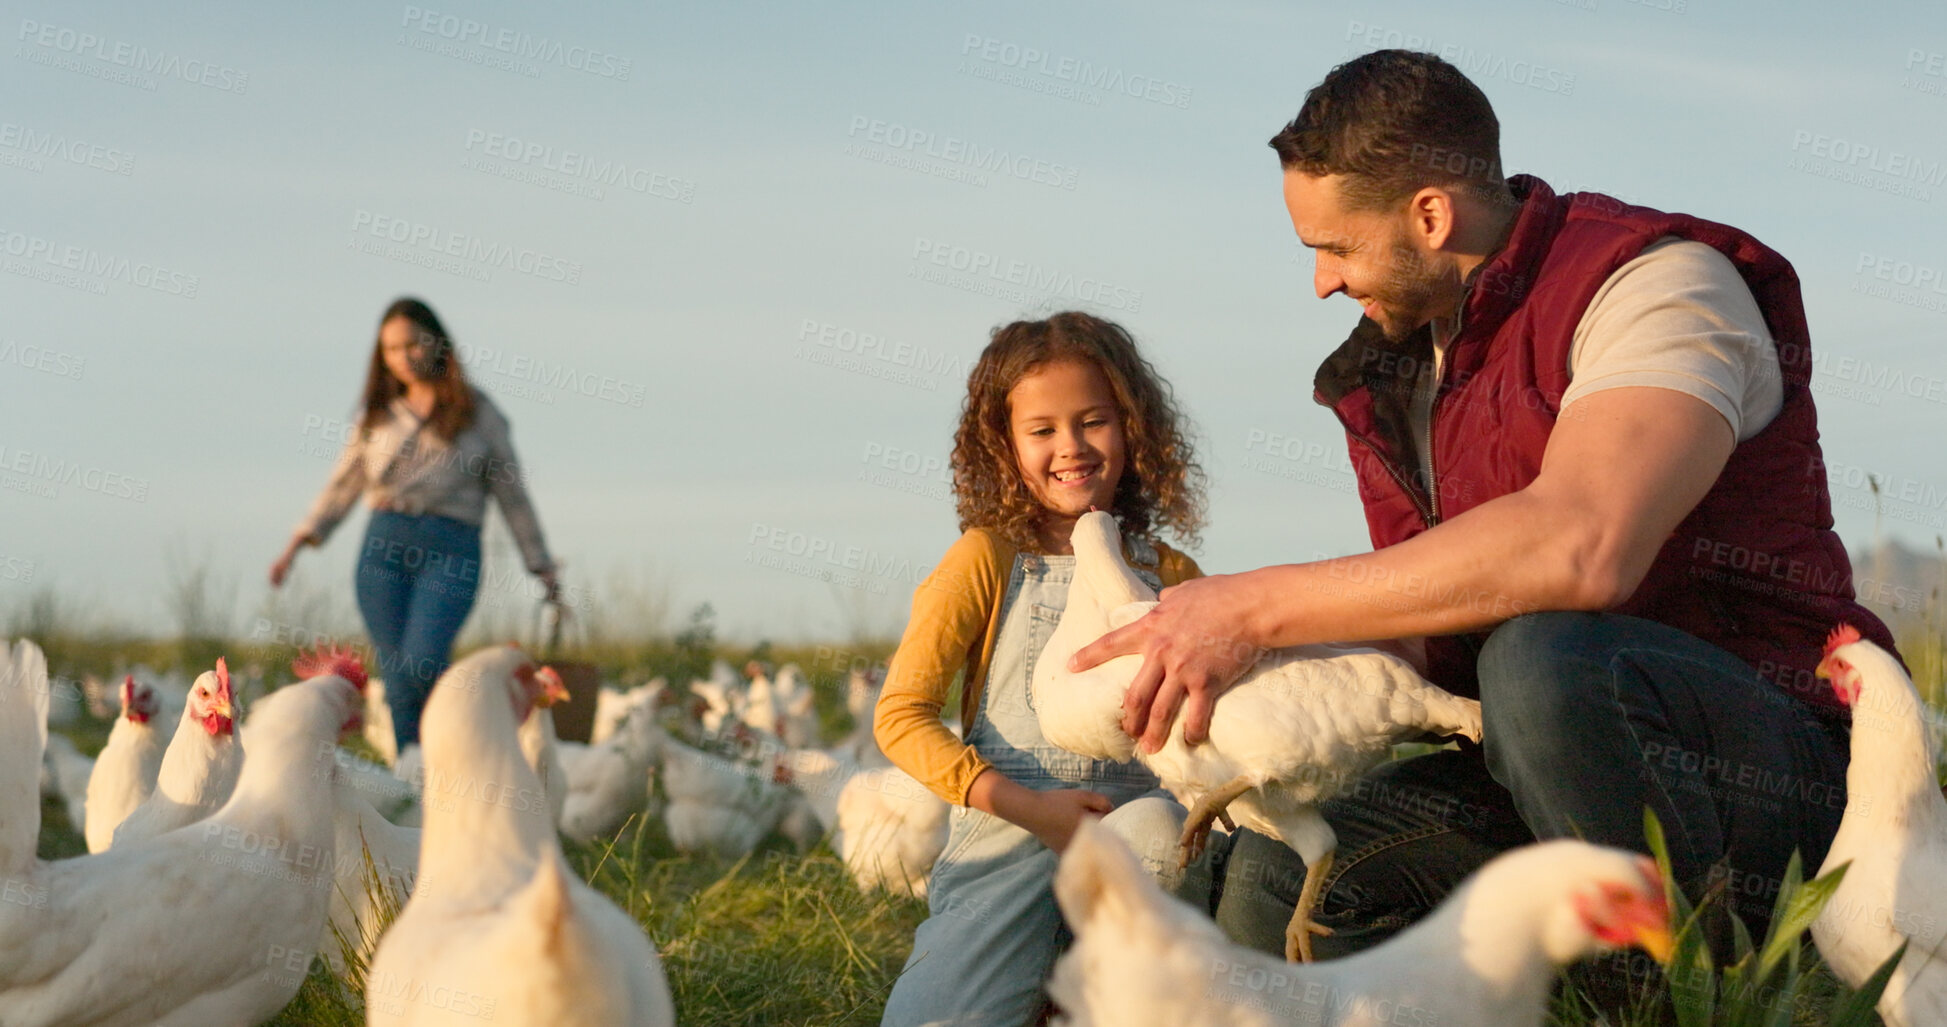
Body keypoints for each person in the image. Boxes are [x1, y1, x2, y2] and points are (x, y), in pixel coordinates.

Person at [1070, 49, 1901, 963]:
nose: (1321, 282)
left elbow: (1584, 545)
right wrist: (1242, 664)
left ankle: (1686, 993)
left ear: (1429, 214)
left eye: (1333, 246)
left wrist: (1252, 602)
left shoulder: (1655, 285)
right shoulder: (1395, 368)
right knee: (1269, 885)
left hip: (1772, 780)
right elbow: (1433, 619)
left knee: (1543, 661)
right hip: (1524, 765)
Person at [875, 312, 1208, 1026]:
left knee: (1158, 844)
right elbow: (899, 715)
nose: (1071, 447)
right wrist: (1026, 807)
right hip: (1008, 835)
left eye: (1093, 420)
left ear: (1132, 426)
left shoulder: (1172, 573)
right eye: (1042, 430)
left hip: (1136, 840)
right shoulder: (984, 558)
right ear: (1002, 445)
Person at [270, 297, 558, 754]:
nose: (403, 358)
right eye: (390, 350)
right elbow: (343, 485)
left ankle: (453, 759)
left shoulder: (480, 416)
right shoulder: (378, 415)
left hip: (452, 548)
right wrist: (299, 541)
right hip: (384, 543)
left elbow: (513, 494)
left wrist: (539, 562)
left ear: (436, 343)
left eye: (411, 344)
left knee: (424, 660)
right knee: (397, 674)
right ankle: (413, 778)